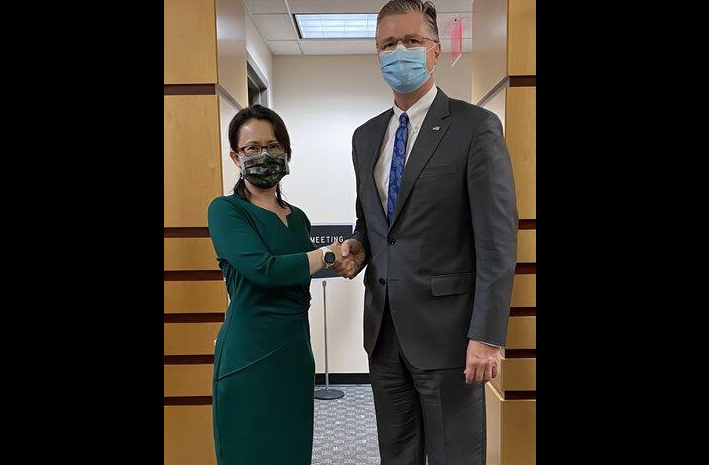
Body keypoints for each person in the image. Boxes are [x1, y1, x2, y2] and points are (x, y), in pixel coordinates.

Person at [334, 1, 519, 464]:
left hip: (452, 338)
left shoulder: (475, 127)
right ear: (377, 55)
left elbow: (497, 241)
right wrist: (358, 247)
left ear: (435, 51)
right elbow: (373, 223)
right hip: (383, 335)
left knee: (456, 457)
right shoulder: (365, 137)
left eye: (412, 41)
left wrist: (487, 335)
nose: (399, 52)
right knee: (397, 456)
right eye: (388, 44)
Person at [208, 105, 342, 465]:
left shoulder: (298, 218)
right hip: (249, 353)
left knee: (292, 450)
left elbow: (300, 270)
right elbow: (264, 270)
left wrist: (348, 256)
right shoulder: (226, 210)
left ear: (286, 152)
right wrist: (328, 255)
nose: (264, 155)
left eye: (272, 145)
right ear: (236, 157)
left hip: (295, 352)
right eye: (252, 148)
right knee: (249, 451)